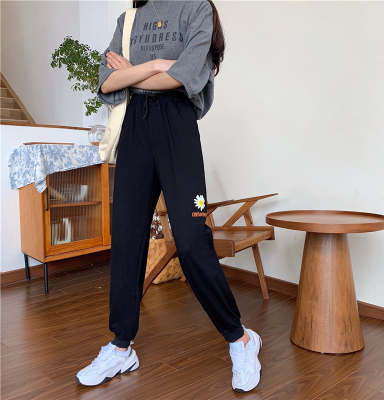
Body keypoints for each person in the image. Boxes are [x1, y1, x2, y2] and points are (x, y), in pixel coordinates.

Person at [76, 0, 262, 393]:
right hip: (134, 132)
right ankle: (121, 346)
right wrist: (158, 65)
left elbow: (185, 77)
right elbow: (105, 82)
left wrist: (132, 73)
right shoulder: (129, 18)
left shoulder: (197, 9)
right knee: (126, 240)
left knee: (192, 239)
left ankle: (241, 338)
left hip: (178, 128)